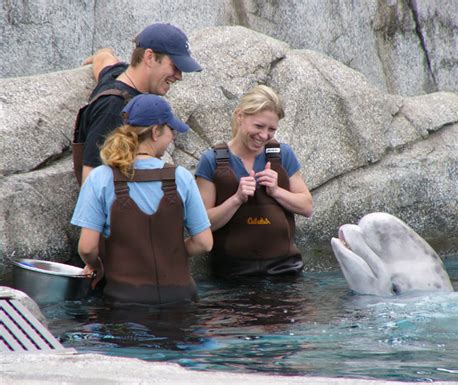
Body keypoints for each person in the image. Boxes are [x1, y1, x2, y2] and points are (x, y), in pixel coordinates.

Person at [71, 94, 212, 305]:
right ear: (156, 132)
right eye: (170, 130)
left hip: (125, 300)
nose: (172, 136)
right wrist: (170, 252)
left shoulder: (100, 178)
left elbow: (87, 248)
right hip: (180, 299)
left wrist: (97, 266)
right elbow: (204, 243)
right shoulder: (180, 176)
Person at [195, 85, 313, 277]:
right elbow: (203, 223)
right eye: (258, 126)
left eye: (272, 129)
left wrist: (276, 191)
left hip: (284, 272)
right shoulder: (212, 160)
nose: (264, 135)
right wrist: (237, 199)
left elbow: (307, 207)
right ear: (240, 116)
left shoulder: (283, 155)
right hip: (232, 278)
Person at [73, 22, 202, 185]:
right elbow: (91, 181)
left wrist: (102, 52)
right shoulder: (114, 107)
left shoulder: (116, 74)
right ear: (149, 57)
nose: (179, 76)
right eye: (175, 66)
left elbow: (104, 58)